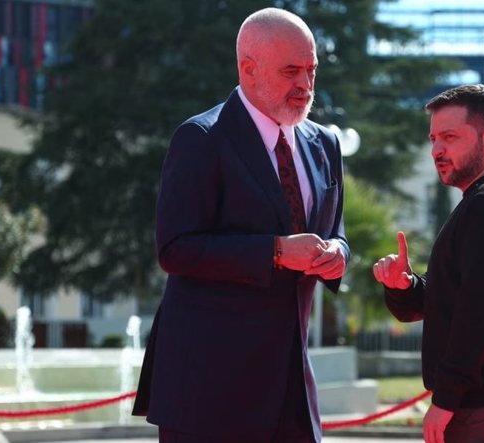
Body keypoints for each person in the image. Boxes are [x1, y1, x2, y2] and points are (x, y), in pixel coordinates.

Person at [131, 8, 349, 443]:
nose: (305, 84)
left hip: (292, 389)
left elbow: (336, 232)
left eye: (311, 70)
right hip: (210, 390)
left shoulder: (325, 143)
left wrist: (337, 254)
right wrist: (276, 251)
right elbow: (175, 247)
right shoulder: (201, 138)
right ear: (248, 69)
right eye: (291, 71)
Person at [372, 84, 484, 443]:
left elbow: (479, 313)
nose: (437, 150)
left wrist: (446, 398)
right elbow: (455, 298)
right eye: (433, 139)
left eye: (450, 137)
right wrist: (405, 285)